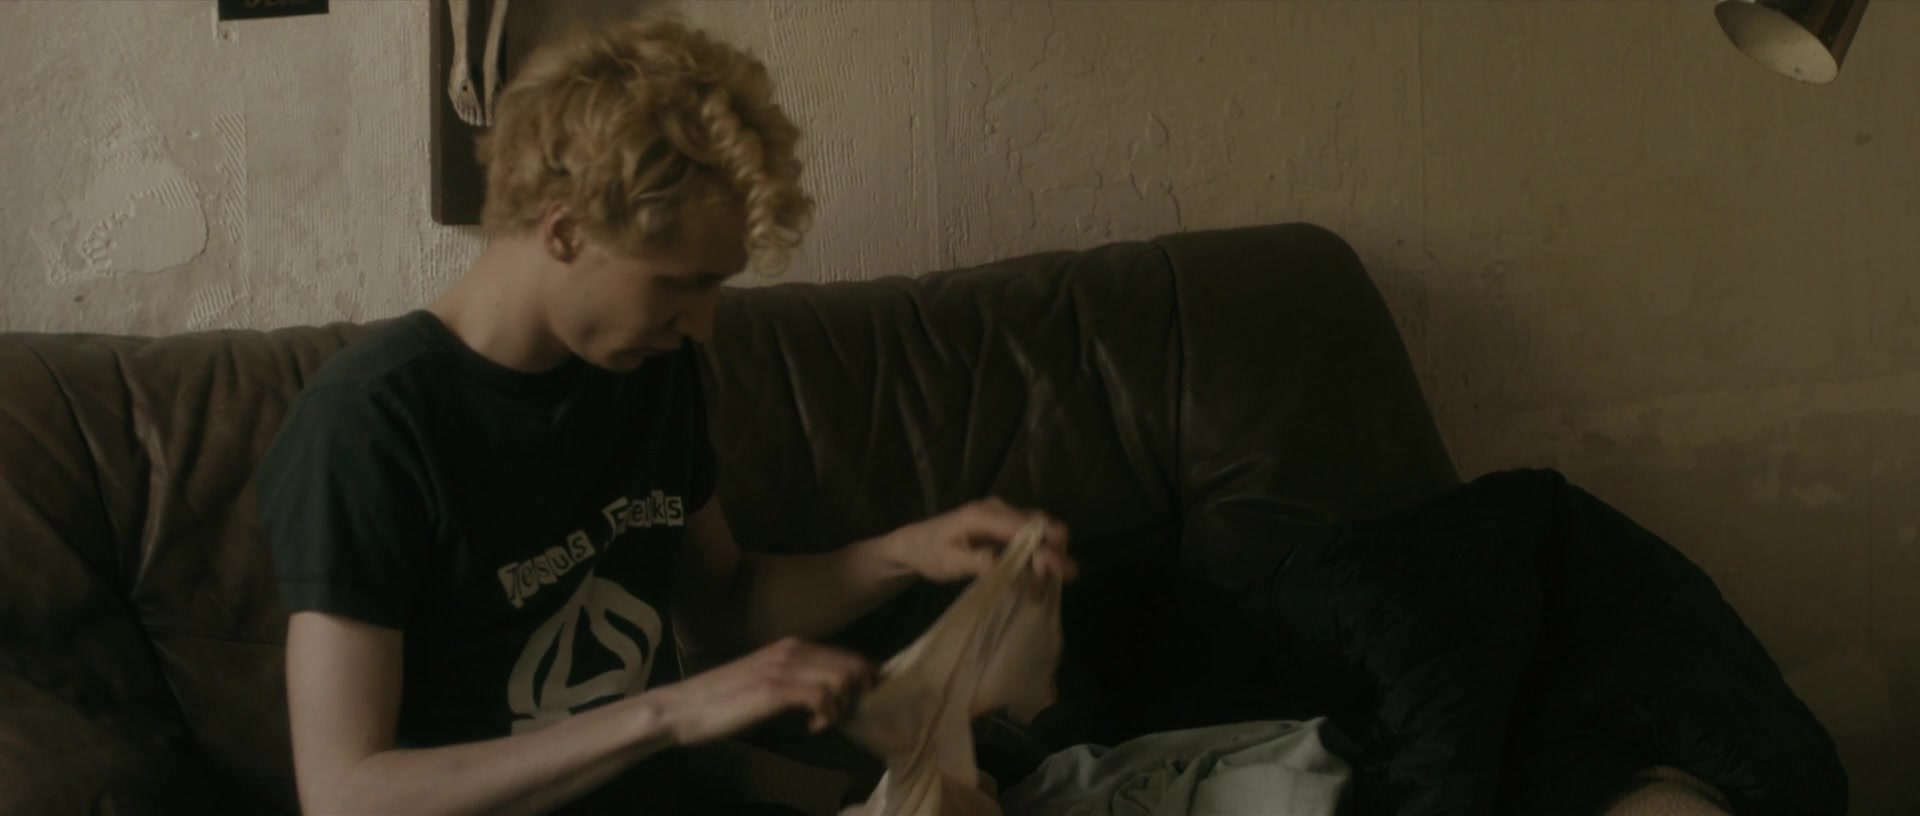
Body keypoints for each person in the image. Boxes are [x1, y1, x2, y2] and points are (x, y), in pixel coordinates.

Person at [254, 16, 1075, 816]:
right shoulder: (368, 427)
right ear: (566, 231)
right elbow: (346, 792)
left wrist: (907, 554)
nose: (704, 324)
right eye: (681, 283)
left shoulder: (647, 368)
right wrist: (667, 713)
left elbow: (722, 612)